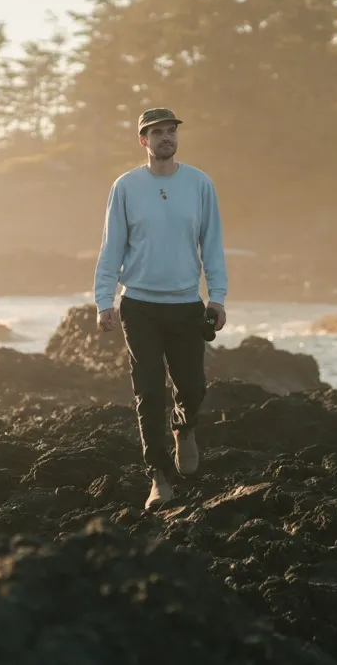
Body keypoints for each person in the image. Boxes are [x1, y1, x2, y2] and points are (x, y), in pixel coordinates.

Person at [93, 107, 228, 510]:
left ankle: (183, 430)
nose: (166, 138)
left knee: (192, 387)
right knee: (148, 392)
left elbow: (213, 244)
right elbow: (111, 246)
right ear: (143, 140)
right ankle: (159, 477)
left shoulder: (199, 184)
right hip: (140, 306)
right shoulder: (127, 186)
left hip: (187, 303)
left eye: (171, 131)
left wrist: (217, 296)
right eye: (157, 133)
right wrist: (104, 301)